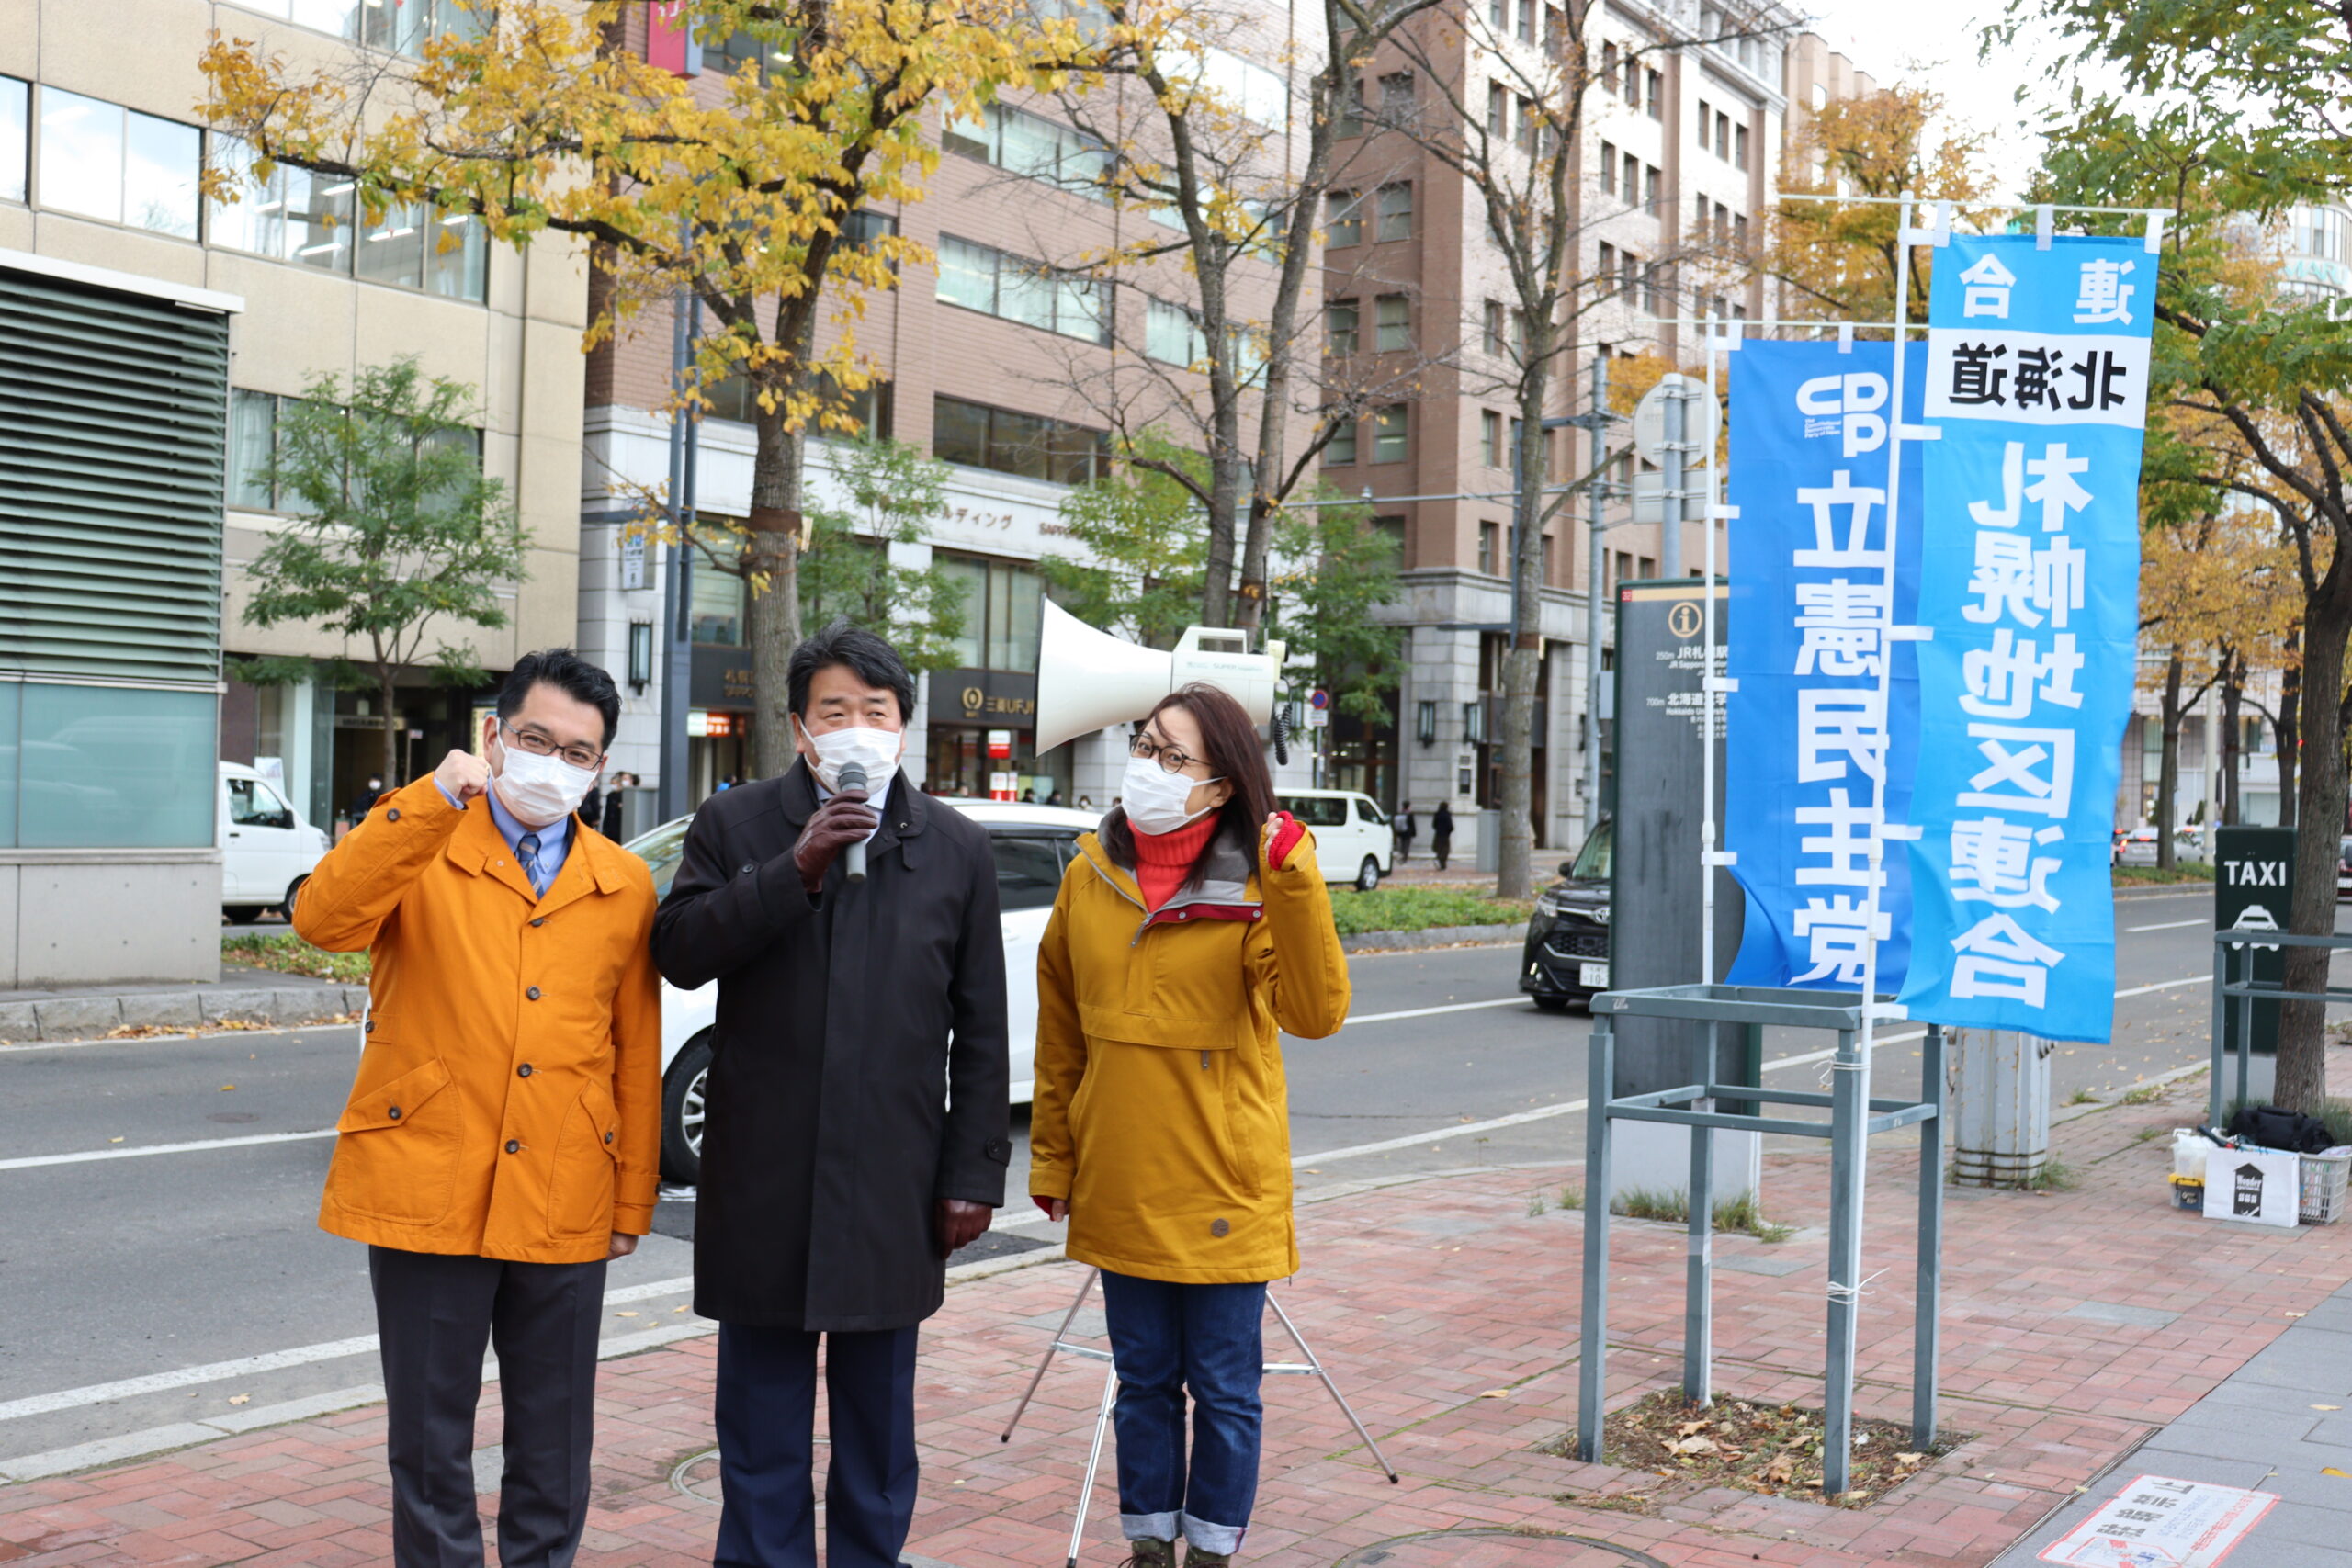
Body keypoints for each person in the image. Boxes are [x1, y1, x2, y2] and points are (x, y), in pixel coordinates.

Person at [651, 621, 1010, 1568]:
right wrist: (794, 868)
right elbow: (680, 952)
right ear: (800, 728)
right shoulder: (736, 825)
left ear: (902, 728)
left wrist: (971, 1172)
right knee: (760, 1430)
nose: (854, 729)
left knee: (878, 1435)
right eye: (832, 711)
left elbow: (981, 1031)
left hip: (891, 1182)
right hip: (762, 1177)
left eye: (874, 712)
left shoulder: (955, 848)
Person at [293, 649, 661, 1568]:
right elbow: (322, 921)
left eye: (578, 752)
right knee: (427, 1446)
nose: (554, 764)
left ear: (601, 767)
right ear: (493, 736)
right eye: (535, 739)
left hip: (566, 1194)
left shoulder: (624, 883)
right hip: (428, 1185)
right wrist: (429, 798)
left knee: (553, 1446)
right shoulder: (421, 839)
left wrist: (630, 1203)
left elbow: (635, 1054)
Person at [1030, 684, 1351, 1568]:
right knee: (1140, 1385)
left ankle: (1210, 1548)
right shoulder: (1088, 874)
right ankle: (1147, 1545)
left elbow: (1316, 1012)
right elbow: (1062, 1036)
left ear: (1220, 785)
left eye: (1174, 758)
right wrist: (1054, 1161)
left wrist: (1292, 876)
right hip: (1121, 1179)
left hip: (1223, 1184)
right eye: (1144, 745)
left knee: (1224, 1388)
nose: (1148, 768)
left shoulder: (1257, 879)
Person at [598, 771, 633, 840]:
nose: (613, 786)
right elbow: (607, 813)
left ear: (619, 784)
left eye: (614, 783)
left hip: (620, 827)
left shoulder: (625, 795)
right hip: (610, 828)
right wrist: (604, 828)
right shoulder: (610, 795)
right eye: (611, 784)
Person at [1430, 801, 1455, 871]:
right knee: (1445, 850)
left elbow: (1434, 825)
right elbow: (1450, 826)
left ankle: (1440, 862)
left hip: (1438, 834)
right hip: (1445, 835)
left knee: (1439, 849)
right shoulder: (1447, 815)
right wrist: (1448, 832)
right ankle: (1442, 864)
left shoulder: (1437, 814)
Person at [1391, 801, 1417, 865]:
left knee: (1402, 844)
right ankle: (1404, 858)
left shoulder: (1400, 813)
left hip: (1401, 832)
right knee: (1406, 845)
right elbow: (1412, 824)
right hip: (1408, 832)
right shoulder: (1410, 814)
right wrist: (1414, 833)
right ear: (1408, 806)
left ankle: (1401, 855)